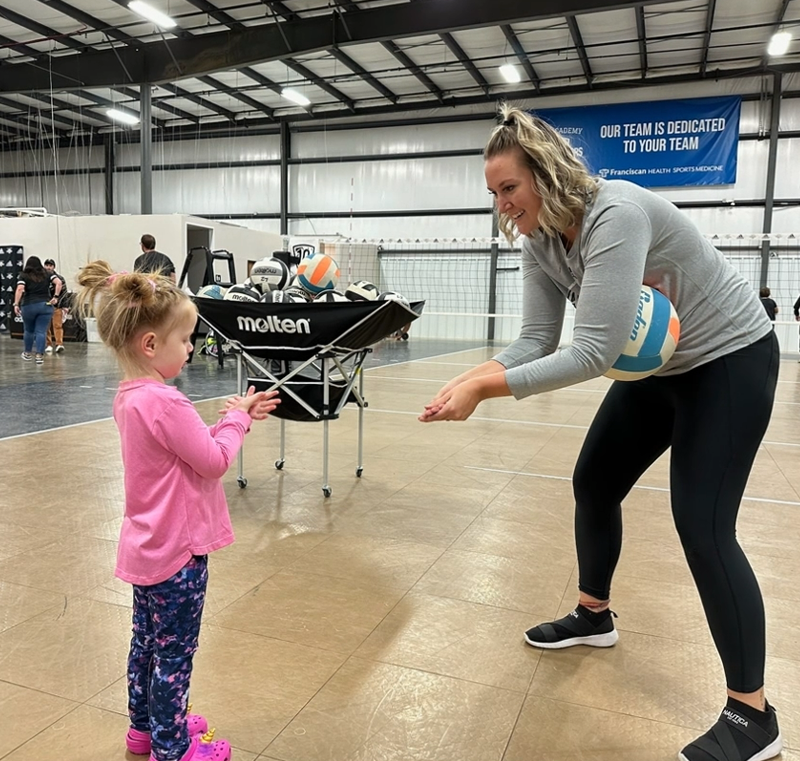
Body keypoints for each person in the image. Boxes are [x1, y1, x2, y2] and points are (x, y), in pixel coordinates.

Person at [420, 105, 781, 761]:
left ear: (546, 175)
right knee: (595, 480)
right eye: (494, 193)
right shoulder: (538, 240)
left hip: (729, 358)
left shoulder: (615, 213)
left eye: (509, 189)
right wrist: (468, 376)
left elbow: (590, 351)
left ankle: (754, 717)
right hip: (662, 366)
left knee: (703, 524)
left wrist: (482, 390)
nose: (502, 205)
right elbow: (535, 339)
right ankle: (594, 615)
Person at [74, 261, 279, 761]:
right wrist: (235, 423)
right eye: (185, 340)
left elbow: (180, 456)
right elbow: (211, 463)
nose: (190, 349)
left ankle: (144, 731)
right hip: (179, 557)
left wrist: (231, 419)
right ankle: (173, 746)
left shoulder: (130, 398)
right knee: (175, 655)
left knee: (145, 645)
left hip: (147, 549)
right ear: (150, 344)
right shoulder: (167, 403)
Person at [13, 255, 61, 365]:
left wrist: (16, 304)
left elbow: (20, 289)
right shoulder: (48, 274)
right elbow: (58, 283)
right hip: (45, 305)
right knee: (41, 331)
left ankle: (27, 353)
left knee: (29, 330)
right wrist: (56, 297)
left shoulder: (23, 275)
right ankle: (39, 355)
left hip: (29, 305)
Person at [43, 258, 68, 353]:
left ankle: (59, 344)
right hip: (44, 305)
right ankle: (48, 344)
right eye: (47, 265)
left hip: (57, 306)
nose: (48, 267)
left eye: (50, 265)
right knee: (46, 326)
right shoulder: (41, 279)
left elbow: (64, 293)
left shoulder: (60, 279)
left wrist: (65, 306)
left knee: (57, 325)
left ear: (54, 267)